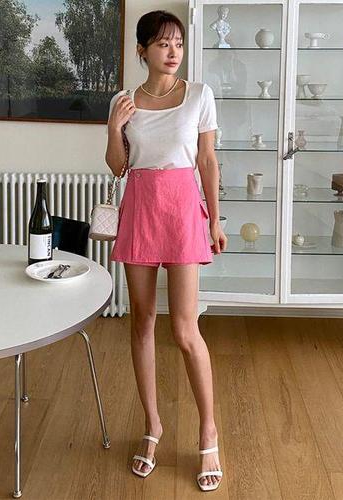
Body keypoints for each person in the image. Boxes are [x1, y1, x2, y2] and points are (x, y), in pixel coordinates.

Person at [105, 10, 227, 492]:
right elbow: (117, 166)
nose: (173, 51)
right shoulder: (123, 101)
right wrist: (114, 127)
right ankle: (152, 425)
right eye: (162, 44)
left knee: (184, 328)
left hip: (182, 212)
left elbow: (207, 160)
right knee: (141, 321)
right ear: (143, 51)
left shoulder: (199, 95)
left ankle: (208, 431)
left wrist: (215, 218)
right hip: (140, 208)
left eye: (177, 43)